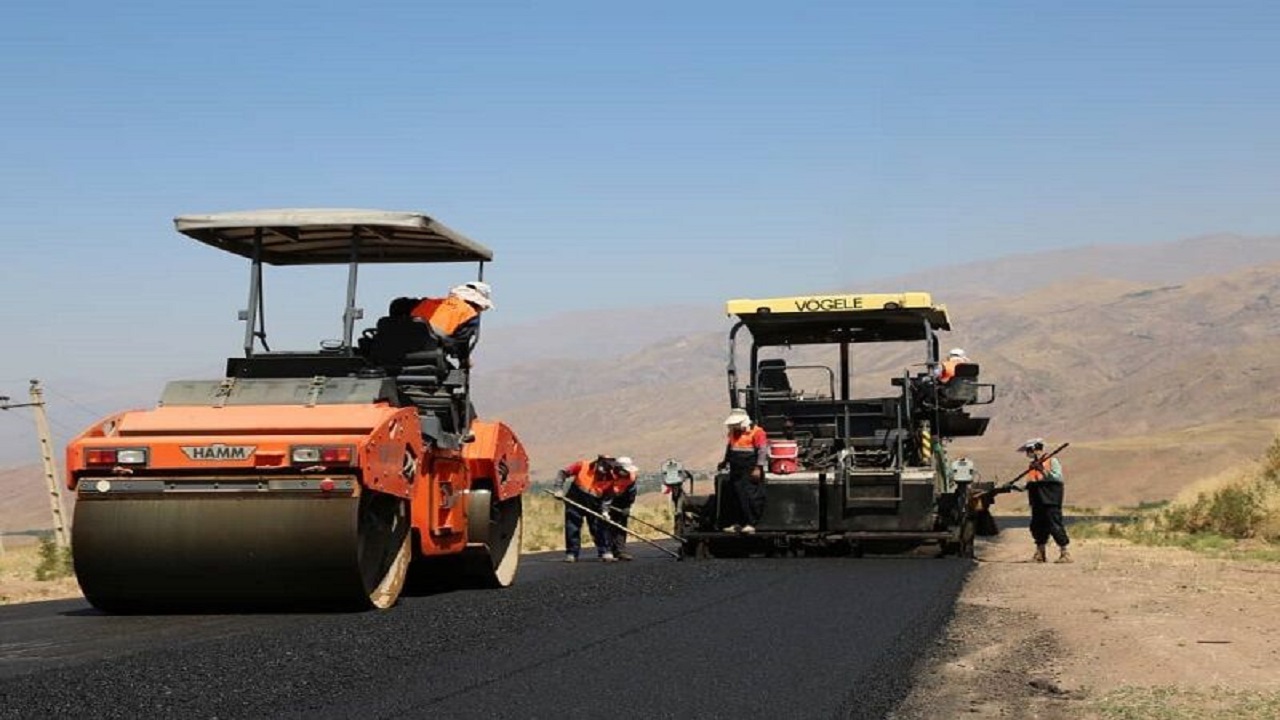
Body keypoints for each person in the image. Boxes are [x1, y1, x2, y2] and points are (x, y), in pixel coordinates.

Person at [554, 455, 634, 563]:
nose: (602, 475)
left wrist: (605, 511)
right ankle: (572, 553)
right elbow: (562, 473)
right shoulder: (582, 465)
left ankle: (604, 552)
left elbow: (608, 496)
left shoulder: (611, 476)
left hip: (595, 503)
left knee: (598, 527)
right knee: (572, 528)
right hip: (575, 501)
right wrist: (558, 489)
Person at [1020, 438, 1071, 563]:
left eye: (1028, 450)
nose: (1027, 453)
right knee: (1037, 526)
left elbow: (1057, 477)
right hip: (1037, 499)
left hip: (1050, 499)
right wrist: (1015, 487)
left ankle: (1065, 554)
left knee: (1054, 525)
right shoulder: (1033, 464)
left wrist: (1042, 469)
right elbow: (1032, 481)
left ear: (1035, 449)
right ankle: (1040, 554)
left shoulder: (1051, 461)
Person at [717, 408, 767, 533]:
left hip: (750, 469)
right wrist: (725, 461)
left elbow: (762, 451)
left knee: (750, 496)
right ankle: (737, 523)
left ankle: (751, 523)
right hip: (736, 469)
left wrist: (758, 468)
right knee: (735, 495)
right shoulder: (734, 433)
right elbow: (730, 448)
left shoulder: (757, 432)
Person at [410, 281, 493, 356]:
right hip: (430, 353)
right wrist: (464, 361)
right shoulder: (469, 314)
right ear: (477, 303)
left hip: (402, 350)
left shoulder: (429, 302)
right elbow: (461, 344)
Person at [603, 456, 639, 561]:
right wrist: (605, 510)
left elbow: (632, 493)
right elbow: (606, 496)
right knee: (607, 527)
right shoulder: (609, 476)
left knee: (621, 526)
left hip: (622, 501)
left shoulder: (631, 477)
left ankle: (620, 551)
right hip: (607, 501)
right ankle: (608, 551)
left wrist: (627, 506)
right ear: (618, 469)